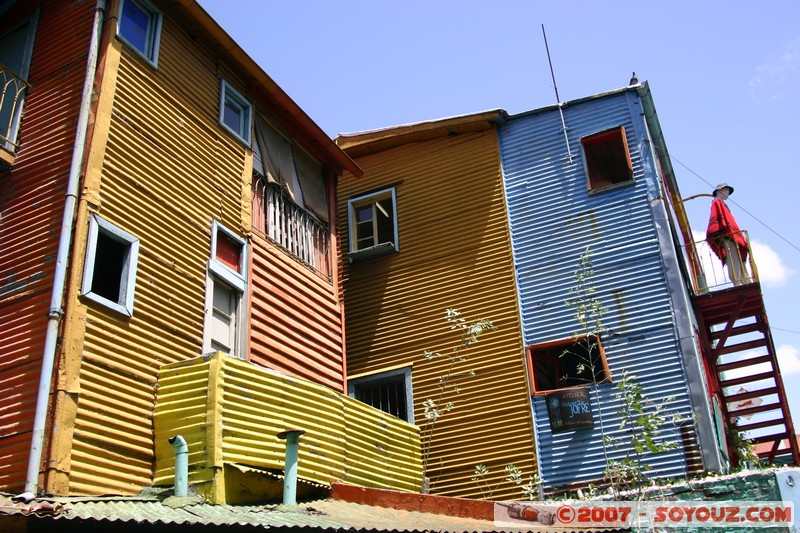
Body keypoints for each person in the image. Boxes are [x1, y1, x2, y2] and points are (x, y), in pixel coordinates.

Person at [706, 183, 748, 286]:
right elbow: (718, 221)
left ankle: (744, 281)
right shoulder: (717, 202)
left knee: (738, 260)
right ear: (720, 191)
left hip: (731, 236)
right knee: (733, 260)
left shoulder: (721, 204)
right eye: (726, 191)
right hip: (727, 237)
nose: (728, 194)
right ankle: (737, 282)